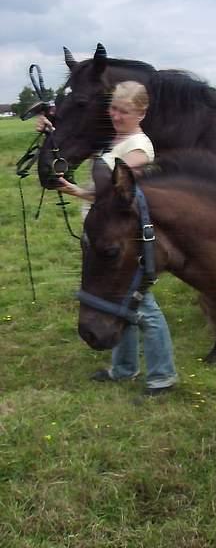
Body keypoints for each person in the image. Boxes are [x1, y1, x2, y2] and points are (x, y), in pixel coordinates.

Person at [37, 81, 177, 396]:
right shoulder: (116, 137)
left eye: (123, 111)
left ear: (141, 112)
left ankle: (162, 376)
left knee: (144, 308)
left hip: (125, 243)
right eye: (113, 108)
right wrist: (50, 124)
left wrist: (83, 192)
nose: (115, 115)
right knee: (117, 303)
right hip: (104, 237)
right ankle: (125, 368)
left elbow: (118, 194)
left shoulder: (138, 147)